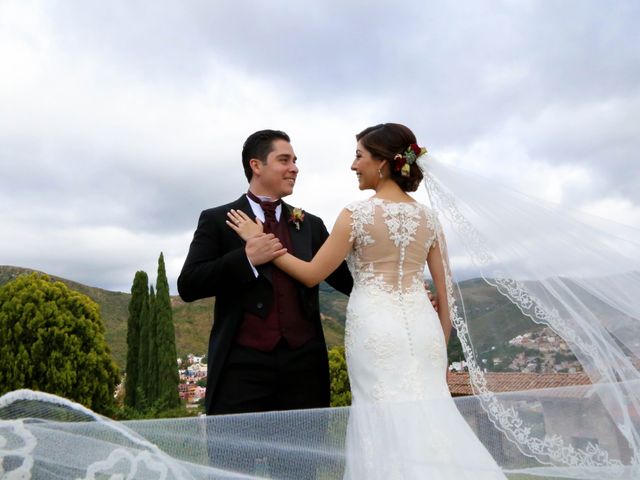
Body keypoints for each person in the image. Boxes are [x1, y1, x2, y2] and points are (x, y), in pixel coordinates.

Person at [228, 123, 508, 478]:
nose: (353, 165)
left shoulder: (356, 214)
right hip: (424, 331)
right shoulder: (430, 218)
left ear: (383, 163)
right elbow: (444, 288)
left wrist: (263, 243)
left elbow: (313, 273)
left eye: (359, 155)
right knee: (431, 412)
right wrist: (442, 336)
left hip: (375, 330)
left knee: (381, 415)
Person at [178, 129, 353, 416]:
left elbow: (347, 281)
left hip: (304, 372)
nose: (295, 168)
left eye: (295, 160)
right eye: (284, 160)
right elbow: (189, 285)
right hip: (240, 369)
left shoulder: (311, 224)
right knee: (234, 461)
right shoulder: (217, 220)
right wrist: (245, 259)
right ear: (256, 166)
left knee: (302, 461)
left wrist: (403, 294)